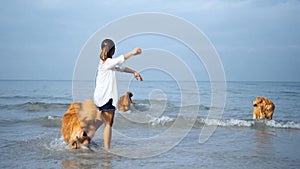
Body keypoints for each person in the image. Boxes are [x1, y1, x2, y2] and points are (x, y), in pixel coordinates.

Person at [93, 39, 143, 149]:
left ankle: (85, 136)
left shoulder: (104, 63)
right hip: (106, 98)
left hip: (99, 97)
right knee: (108, 124)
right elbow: (121, 60)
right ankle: (107, 150)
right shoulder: (108, 63)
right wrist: (133, 53)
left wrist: (134, 72)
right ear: (113, 50)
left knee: (100, 120)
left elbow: (121, 68)